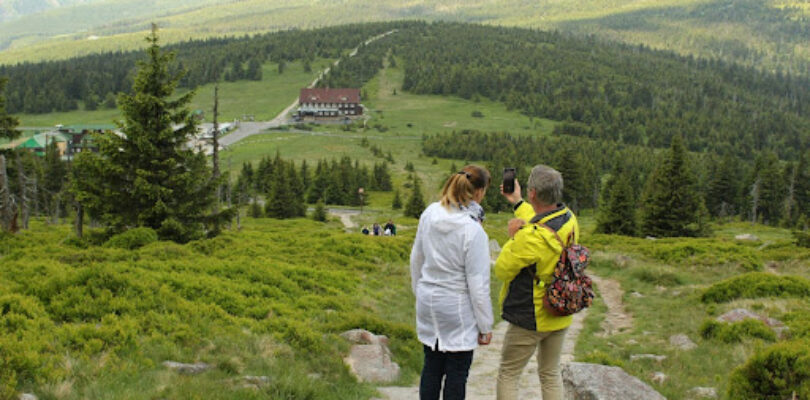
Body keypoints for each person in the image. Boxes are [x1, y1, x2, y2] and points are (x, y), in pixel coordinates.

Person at [494, 165, 580, 400]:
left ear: (533, 193)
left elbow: (502, 268)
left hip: (530, 314)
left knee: (509, 373)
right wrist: (518, 202)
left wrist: (514, 236)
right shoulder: (569, 218)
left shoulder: (530, 237)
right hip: (560, 308)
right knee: (550, 373)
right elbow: (541, 222)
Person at [410, 165, 494, 400]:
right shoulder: (473, 230)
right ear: (479, 192)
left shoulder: (430, 213)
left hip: (428, 300)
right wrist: (485, 325)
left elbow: (416, 259)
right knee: (457, 373)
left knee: (431, 366)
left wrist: (420, 291)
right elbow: (478, 285)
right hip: (457, 307)